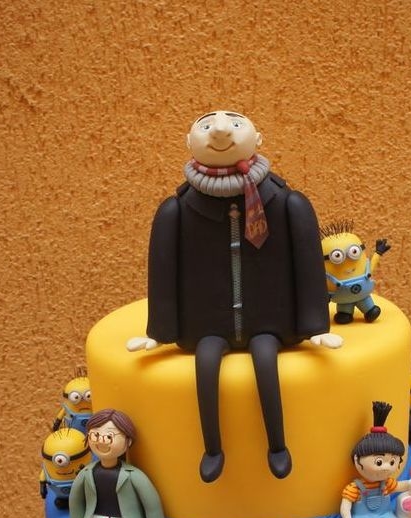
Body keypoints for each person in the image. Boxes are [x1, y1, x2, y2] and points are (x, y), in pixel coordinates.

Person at [128, 110, 341, 483]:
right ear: (189, 142)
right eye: (207, 124)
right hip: (206, 325)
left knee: (266, 363)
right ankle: (212, 449)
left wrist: (314, 325)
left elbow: (308, 265)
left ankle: (278, 446)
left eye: (235, 123)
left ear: (258, 140)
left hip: (270, 321)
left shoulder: (285, 203)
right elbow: (163, 272)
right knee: (206, 365)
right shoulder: (177, 211)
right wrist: (159, 331)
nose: (221, 130)